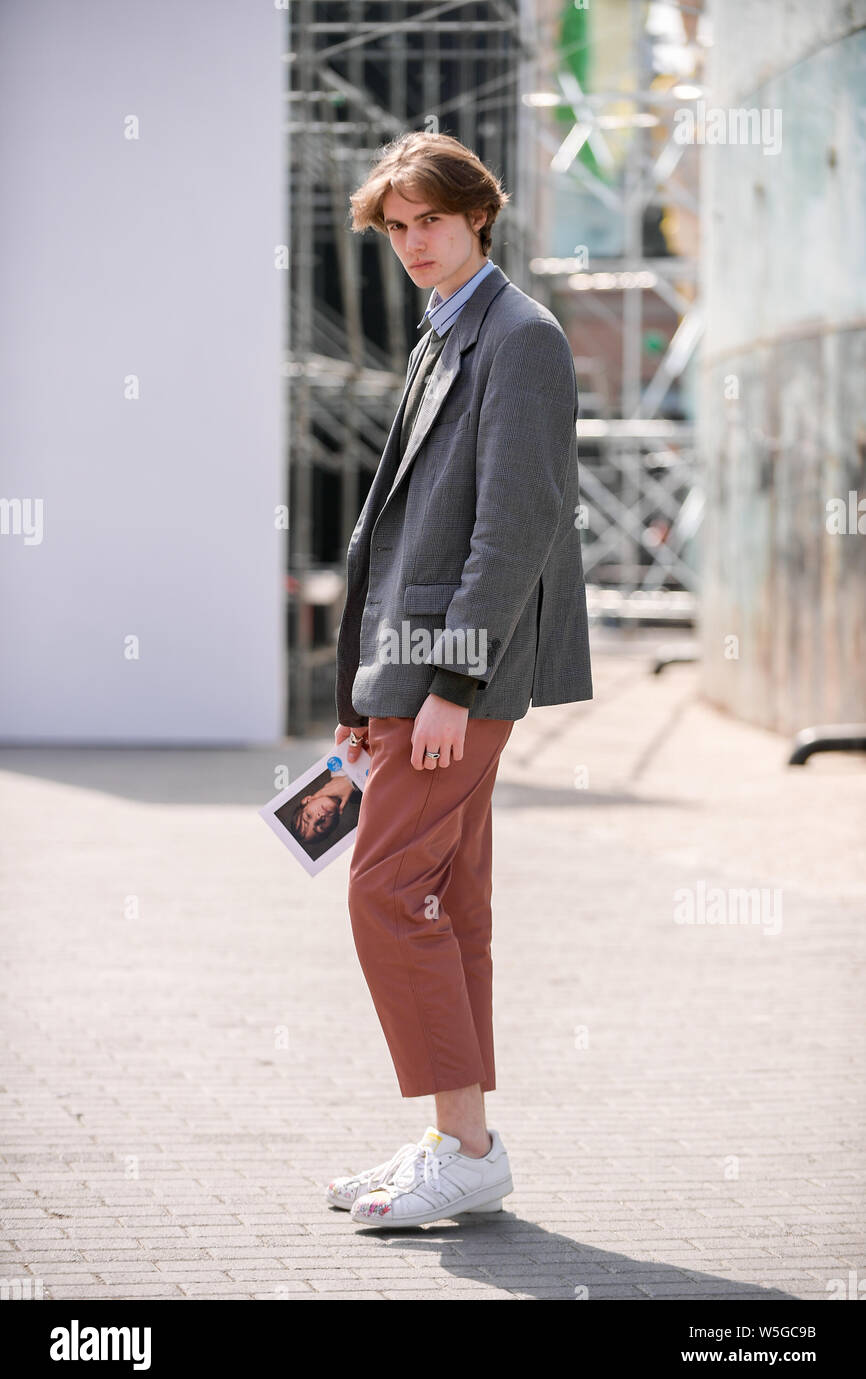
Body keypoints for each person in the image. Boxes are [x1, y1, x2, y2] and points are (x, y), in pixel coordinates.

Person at [329, 131, 592, 1228]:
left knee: (386, 895)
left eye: (428, 219)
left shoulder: (517, 335)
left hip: (454, 677)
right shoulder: (446, 334)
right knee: (448, 903)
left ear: (475, 214)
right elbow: (404, 533)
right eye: (395, 229)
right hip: (412, 671)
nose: (412, 244)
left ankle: (469, 1146)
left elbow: (513, 529)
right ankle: (458, 1136)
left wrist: (447, 684)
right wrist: (364, 696)